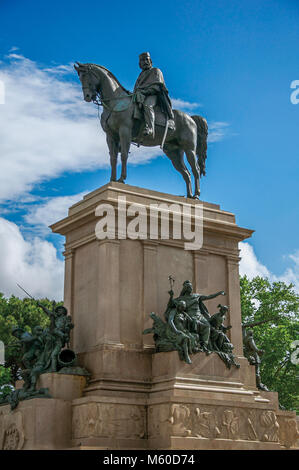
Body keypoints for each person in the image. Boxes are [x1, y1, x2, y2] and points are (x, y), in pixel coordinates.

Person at [168, 280, 225, 352]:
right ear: (185, 288)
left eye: (191, 287)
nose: (191, 288)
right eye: (189, 287)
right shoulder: (181, 299)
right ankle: (195, 343)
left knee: (207, 326)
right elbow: (171, 304)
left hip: (200, 316)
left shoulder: (196, 296)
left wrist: (219, 293)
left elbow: (209, 297)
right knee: (195, 323)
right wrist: (171, 296)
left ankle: (204, 345)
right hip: (190, 316)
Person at [134, 52, 173, 137]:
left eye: (146, 60)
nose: (144, 62)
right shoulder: (140, 76)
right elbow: (136, 89)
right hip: (140, 96)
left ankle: (150, 128)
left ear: (150, 61)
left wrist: (144, 92)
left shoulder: (156, 71)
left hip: (154, 95)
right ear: (140, 63)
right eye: (142, 60)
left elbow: (157, 86)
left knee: (147, 105)